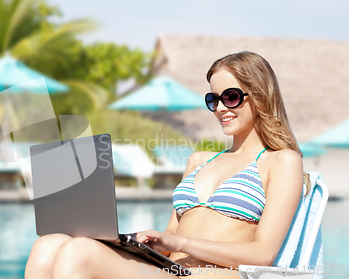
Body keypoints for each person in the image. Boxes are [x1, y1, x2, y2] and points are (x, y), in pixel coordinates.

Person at [24, 51, 307, 278]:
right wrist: (149, 242)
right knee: (47, 245)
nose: (220, 108)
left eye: (230, 97)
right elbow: (172, 234)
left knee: (78, 252)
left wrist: (180, 244)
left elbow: (264, 254)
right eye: (213, 99)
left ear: (259, 96)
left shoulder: (281, 161)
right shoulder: (200, 160)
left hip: (210, 275)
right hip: (169, 269)